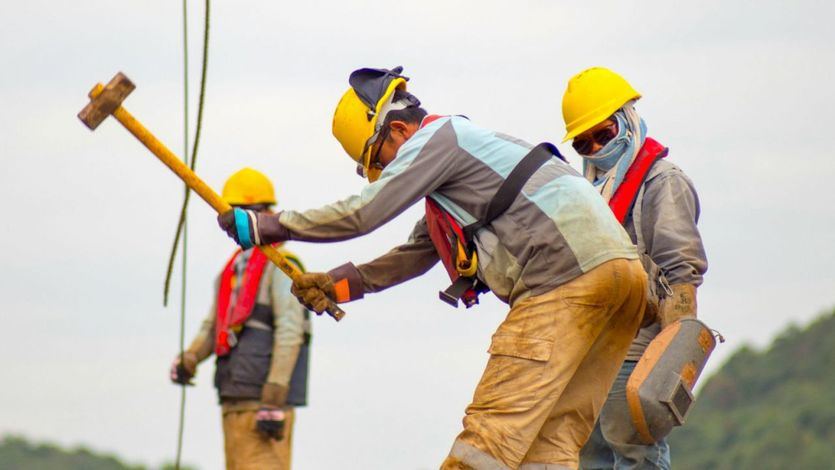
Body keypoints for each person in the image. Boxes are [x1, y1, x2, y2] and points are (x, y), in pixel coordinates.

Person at [218, 66, 646, 469]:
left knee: (485, 442)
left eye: (384, 164)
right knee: (549, 447)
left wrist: (270, 226)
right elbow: (419, 252)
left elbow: (364, 213)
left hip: (563, 282)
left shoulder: (438, 138)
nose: (389, 175)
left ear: (399, 130)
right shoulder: (470, 159)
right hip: (621, 279)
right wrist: (338, 286)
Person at [560, 67, 708, 470]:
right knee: (589, 459)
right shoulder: (589, 194)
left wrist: (666, 369)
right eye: (583, 142)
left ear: (626, 120)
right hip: (593, 353)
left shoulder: (662, 182)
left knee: (636, 458)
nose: (595, 147)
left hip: (639, 353)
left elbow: (681, 276)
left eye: (603, 134)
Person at [170, 168, 311, 470]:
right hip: (234, 397)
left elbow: (290, 332)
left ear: (262, 214)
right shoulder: (232, 271)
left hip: (264, 405)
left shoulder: (282, 267)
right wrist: (191, 357)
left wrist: (274, 398)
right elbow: (214, 327)